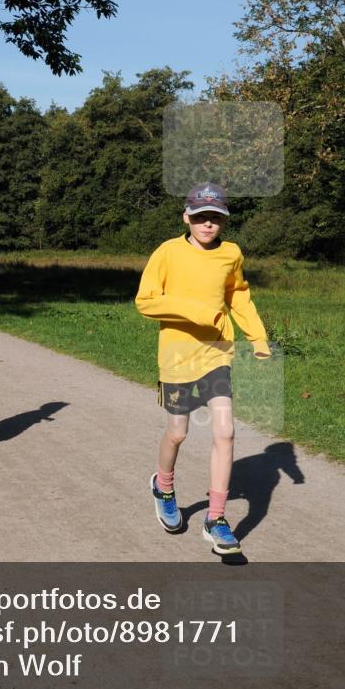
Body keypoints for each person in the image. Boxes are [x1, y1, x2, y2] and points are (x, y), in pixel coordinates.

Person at [135, 182, 271, 555]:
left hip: (217, 354)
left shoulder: (231, 254)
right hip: (177, 357)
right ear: (186, 217)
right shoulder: (167, 252)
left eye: (215, 218)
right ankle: (163, 487)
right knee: (177, 433)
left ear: (223, 221)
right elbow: (145, 301)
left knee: (225, 433)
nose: (207, 224)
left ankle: (216, 519)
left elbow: (238, 294)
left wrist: (257, 337)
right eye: (200, 217)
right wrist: (196, 312)